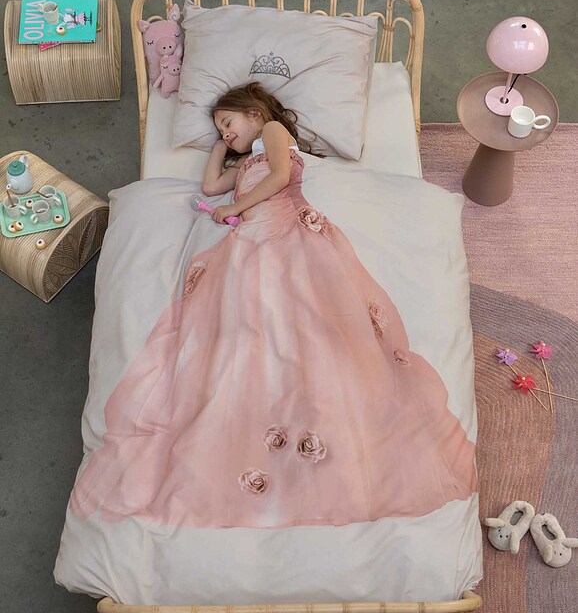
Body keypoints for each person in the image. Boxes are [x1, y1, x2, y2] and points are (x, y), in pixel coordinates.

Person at [69, 82, 477, 530]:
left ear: (255, 114)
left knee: (312, 317)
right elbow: (210, 185)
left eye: (228, 123)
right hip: (250, 241)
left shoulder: (273, 134)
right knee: (246, 327)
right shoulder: (244, 160)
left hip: (289, 233)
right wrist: (217, 148)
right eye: (219, 129)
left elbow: (280, 177)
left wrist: (236, 206)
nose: (226, 134)